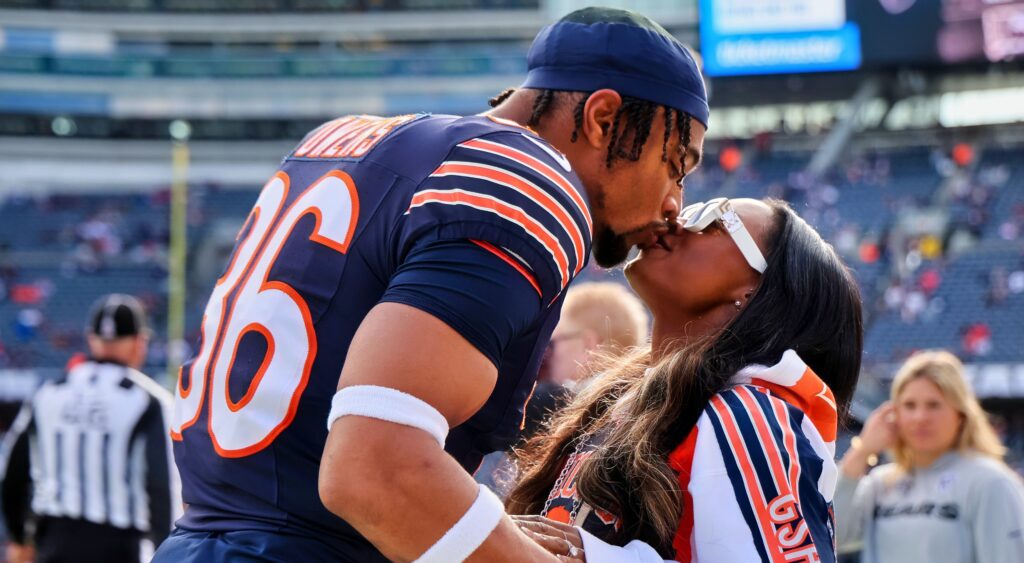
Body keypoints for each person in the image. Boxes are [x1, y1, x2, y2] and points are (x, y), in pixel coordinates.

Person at [153, 7, 710, 563]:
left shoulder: (344, 140)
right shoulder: (525, 177)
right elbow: (374, 471)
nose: (674, 203)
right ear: (603, 118)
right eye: (677, 164)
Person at [506, 198, 864, 562]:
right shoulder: (624, 399)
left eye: (713, 220)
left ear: (753, 291)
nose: (674, 220)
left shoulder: (747, 416)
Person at [0, 294, 178, 563]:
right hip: (119, 546)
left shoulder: (48, 392)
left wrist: (19, 537)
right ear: (140, 343)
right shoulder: (149, 400)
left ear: (91, 339)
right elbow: (162, 486)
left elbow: (13, 473)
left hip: (54, 543)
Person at [834, 350, 1024, 563]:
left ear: (961, 415)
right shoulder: (880, 483)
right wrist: (862, 451)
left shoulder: (991, 482)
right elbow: (834, 535)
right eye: (909, 405)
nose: (920, 417)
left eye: (934, 405)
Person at [547, 282, 649, 389]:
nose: (548, 352)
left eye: (553, 342)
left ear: (588, 346)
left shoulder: (563, 401)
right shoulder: (641, 397)